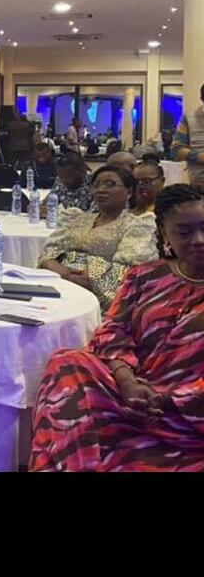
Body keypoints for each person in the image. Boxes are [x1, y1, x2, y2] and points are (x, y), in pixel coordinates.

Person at [29, 185, 204, 472]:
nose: (199, 240)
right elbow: (113, 329)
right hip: (128, 392)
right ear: (165, 235)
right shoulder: (145, 276)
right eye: (184, 232)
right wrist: (126, 380)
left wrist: (164, 399)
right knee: (67, 363)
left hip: (186, 414)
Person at [38, 165, 158, 310]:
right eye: (97, 185)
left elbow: (128, 269)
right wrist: (52, 264)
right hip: (57, 281)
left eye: (110, 184)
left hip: (97, 296)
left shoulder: (136, 225)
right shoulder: (76, 218)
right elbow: (50, 249)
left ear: (129, 192)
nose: (101, 189)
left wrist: (85, 276)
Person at [173, 84, 204, 186]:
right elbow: (176, 150)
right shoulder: (189, 118)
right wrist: (200, 156)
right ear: (202, 99)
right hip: (199, 183)